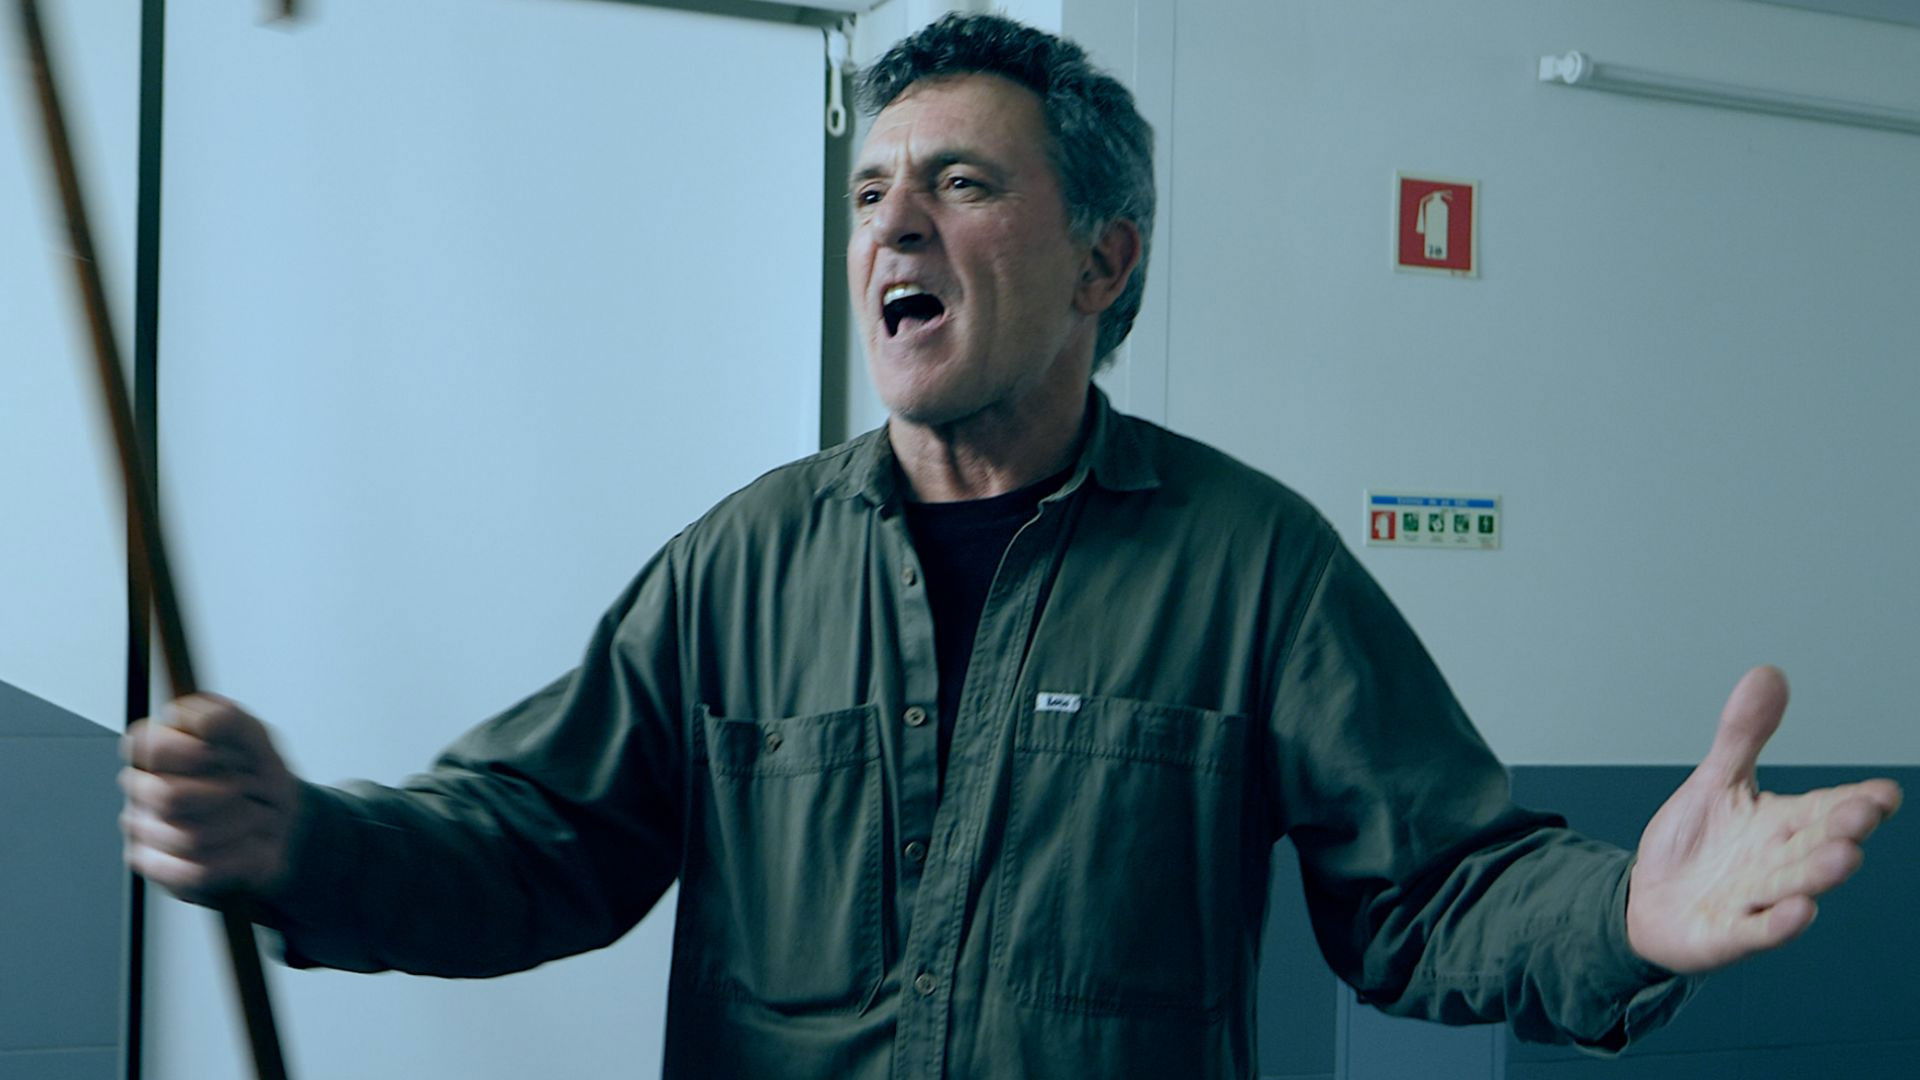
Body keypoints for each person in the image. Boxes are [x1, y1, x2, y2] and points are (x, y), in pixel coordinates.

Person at [119, 14, 1901, 1079]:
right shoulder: (737, 570)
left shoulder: (1252, 568)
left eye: (961, 182)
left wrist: (1626, 918)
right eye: (870, 190)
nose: (893, 221)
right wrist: (308, 845)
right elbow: (538, 844)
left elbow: (1430, 892)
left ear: (1102, 259)